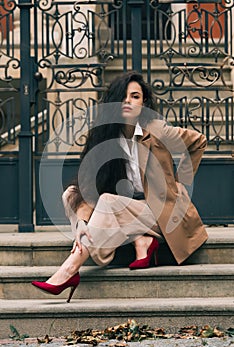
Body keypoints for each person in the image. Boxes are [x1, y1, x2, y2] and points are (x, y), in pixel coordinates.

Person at [32, 71, 208, 302]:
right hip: (128, 211)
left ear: (143, 102)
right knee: (71, 194)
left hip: (160, 214)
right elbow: (87, 188)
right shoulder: (105, 136)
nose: (128, 101)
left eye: (135, 96)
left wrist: (180, 183)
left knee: (107, 201)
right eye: (123, 97)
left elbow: (198, 142)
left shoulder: (157, 130)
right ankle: (130, 238)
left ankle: (68, 270)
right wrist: (83, 222)